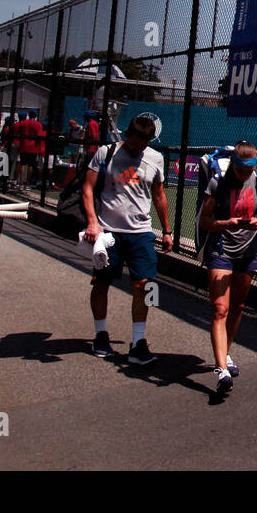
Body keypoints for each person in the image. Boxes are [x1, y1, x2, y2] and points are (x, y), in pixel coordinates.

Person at [83, 114, 173, 364]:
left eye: (143, 146)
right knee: (101, 283)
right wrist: (93, 221)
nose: (138, 150)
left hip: (141, 233)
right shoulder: (106, 153)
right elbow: (88, 188)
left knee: (145, 286)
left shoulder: (155, 158)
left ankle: (138, 343)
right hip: (108, 232)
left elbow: (159, 195)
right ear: (127, 136)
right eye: (135, 145)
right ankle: (101, 335)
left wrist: (166, 230)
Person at [197, 141, 257, 395]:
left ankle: (225, 354)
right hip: (221, 250)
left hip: (248, 251)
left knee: (238, 307)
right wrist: (225, 223)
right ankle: (222, 370)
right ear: (234, 166)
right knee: (220, 309)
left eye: (249, 171)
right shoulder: (217, 183)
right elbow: (205, 221)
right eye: (241, 171)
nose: (245, 176)